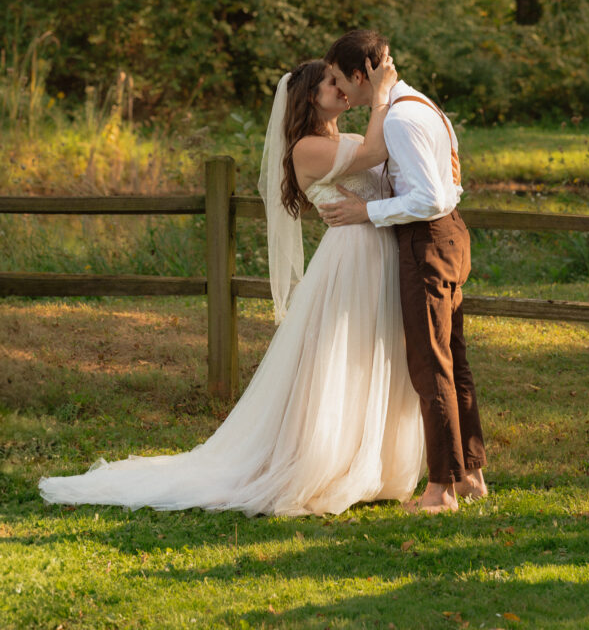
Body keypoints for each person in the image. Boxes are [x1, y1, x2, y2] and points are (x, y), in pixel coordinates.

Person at [39, 55, 425, 516]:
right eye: (330, 83)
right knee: (342, 356)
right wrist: (382, 95)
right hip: (352, 259)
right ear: (308, 97)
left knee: (373, 352)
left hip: (379, 250)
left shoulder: (347, 138)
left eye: (341, 81)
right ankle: (327, 460)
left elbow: (387, 170)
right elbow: (374, 157)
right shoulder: (306, 148)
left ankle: (371, 460)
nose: (342, 89)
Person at [320, 29, 487, 514]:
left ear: (358, 75)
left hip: (427, 242)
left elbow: (429, 196)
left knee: (429, 364)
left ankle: (440, 491)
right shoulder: (419, 103)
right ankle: (471, 474)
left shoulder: (400, 118)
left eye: (337, 80)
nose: (340, 93)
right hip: (450, 236)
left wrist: (366, 213)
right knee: (452, 359)